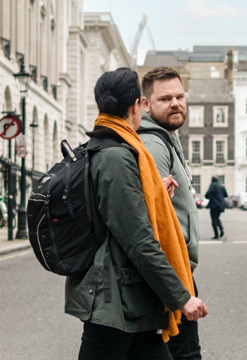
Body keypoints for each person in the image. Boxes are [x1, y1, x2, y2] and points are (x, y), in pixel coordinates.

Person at [66, 68, 208, 360]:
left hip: (131, 299)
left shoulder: (111, 146)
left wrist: (154, 195)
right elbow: (138, 240)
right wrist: (181, 297)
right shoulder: (116, 156)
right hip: (113, 301)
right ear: (137, 106)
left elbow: (117, 213)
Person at [139, 66, 202, 360]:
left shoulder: (166, 136)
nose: (175, 103)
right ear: (146, 104)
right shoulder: (154, 142)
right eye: (165, 99)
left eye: (179, 96)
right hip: (170, 268)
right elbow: (153, 219)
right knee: (186, 353)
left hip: (174, 267)